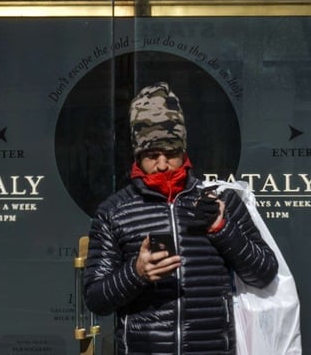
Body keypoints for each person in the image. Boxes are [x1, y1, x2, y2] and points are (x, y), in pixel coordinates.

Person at [83, 82, 278, 354]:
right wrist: (136, 273)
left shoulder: (221, 200)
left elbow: (265, 273)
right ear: (137, 155)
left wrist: (222, 228)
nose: (162, 164)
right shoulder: (114, 211)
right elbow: (95, 299)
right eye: (151, 155)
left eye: (171, 153)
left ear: (184, 151)